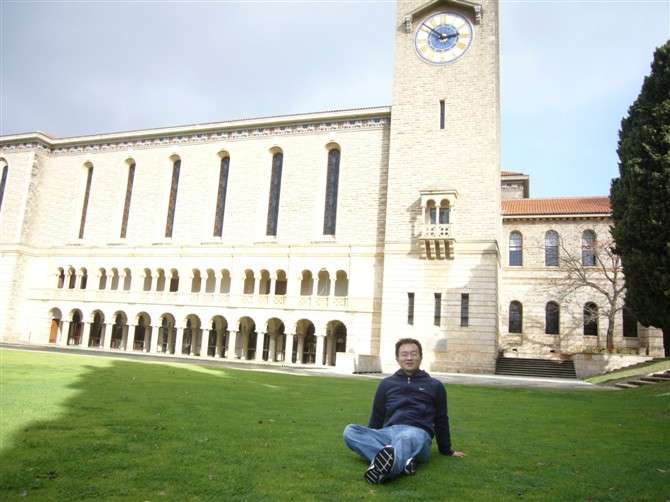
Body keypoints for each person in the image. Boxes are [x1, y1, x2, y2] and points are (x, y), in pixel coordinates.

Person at [343, 338, 465, 483]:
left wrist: (446, 450)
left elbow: (441, 419)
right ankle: (405, 463)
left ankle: (385, 471)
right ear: (397, 358)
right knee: (350, 431)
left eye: (413, 354)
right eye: (404, 354)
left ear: (420, 357)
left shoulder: (435, 386)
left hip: (418, 434)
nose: (409, 358)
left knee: (405, 437)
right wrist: (372, 436)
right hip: (389, 433)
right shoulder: (386, 384)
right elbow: (377, 416)